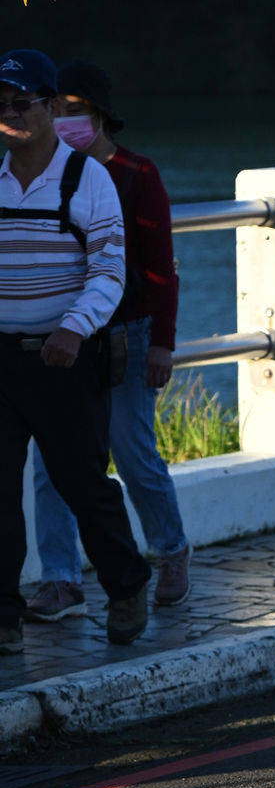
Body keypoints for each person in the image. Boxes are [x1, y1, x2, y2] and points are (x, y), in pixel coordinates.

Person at [26, 59, 191, 622]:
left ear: (100, 115)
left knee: (132, 450)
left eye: (75, 110)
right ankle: (60, 579)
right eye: (56, 109)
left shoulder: (136, 174)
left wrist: (162, 343)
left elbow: (161, 268)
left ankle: (170, 551)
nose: (64, 120)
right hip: (59, 339)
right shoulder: (40, 174)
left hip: (126, 337)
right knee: (51, 462)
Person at [0, 48, 150, 654]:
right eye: (0, 105)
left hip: (64, 359)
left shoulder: (88, 179)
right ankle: (3, 618)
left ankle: (126, 586)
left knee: (81, 482)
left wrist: (73, 328)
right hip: (2, 359)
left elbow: (109, 270)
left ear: (51, 107)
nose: (10, 115)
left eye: (21, 103)